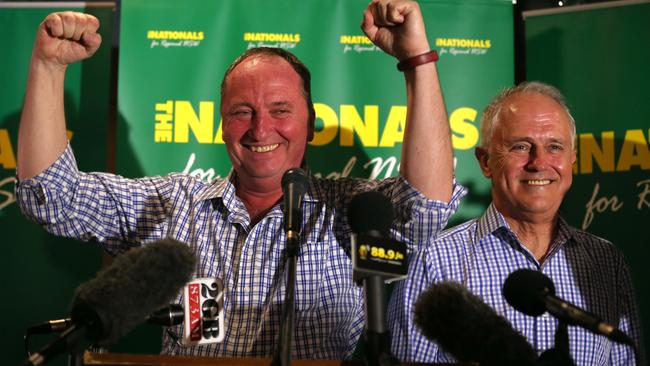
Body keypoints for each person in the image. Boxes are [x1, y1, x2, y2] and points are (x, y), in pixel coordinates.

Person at [15, 0, 464, 359]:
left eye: (280, 110)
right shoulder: (174, 204)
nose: (260, 129)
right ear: (222, 124)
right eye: (241, 112)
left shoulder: (349, 212)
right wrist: (49, 67)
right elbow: (51, 198)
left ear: (311, 124)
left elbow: (424, 207)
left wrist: (417, 60)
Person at [388, 81, 645, 365]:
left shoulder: (607, 262)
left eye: (555, 147)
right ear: (485, 162)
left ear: (572, 160)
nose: (539, 162)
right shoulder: (434, 260)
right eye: (521, 147)